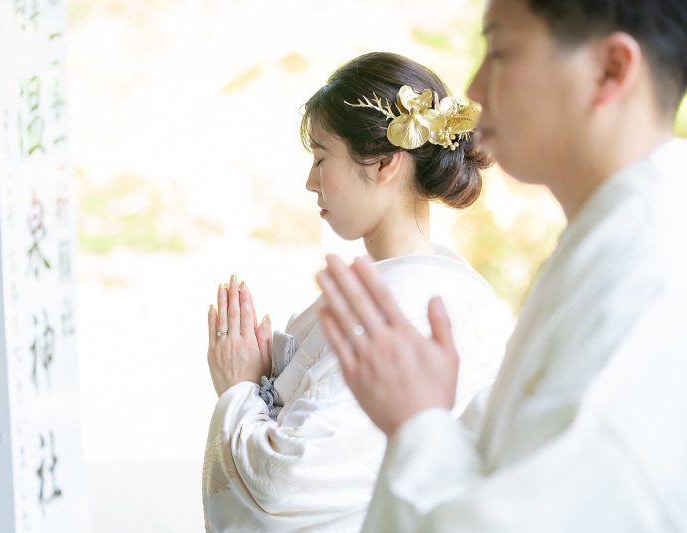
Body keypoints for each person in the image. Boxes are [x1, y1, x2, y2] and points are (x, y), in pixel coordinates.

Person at [317, 1, 687, 531]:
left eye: (502, 51)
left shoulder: (659, 285)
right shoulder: (615, 254)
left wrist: (417, 421)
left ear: (611, 70)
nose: (476, 87)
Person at [201, 52, 509, 532]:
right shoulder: (443, 290)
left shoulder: (406, 308)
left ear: (386, 162)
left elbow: (290, 483)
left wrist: (241, 390)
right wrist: (267, 373)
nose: (310, 181)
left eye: (322, 157)